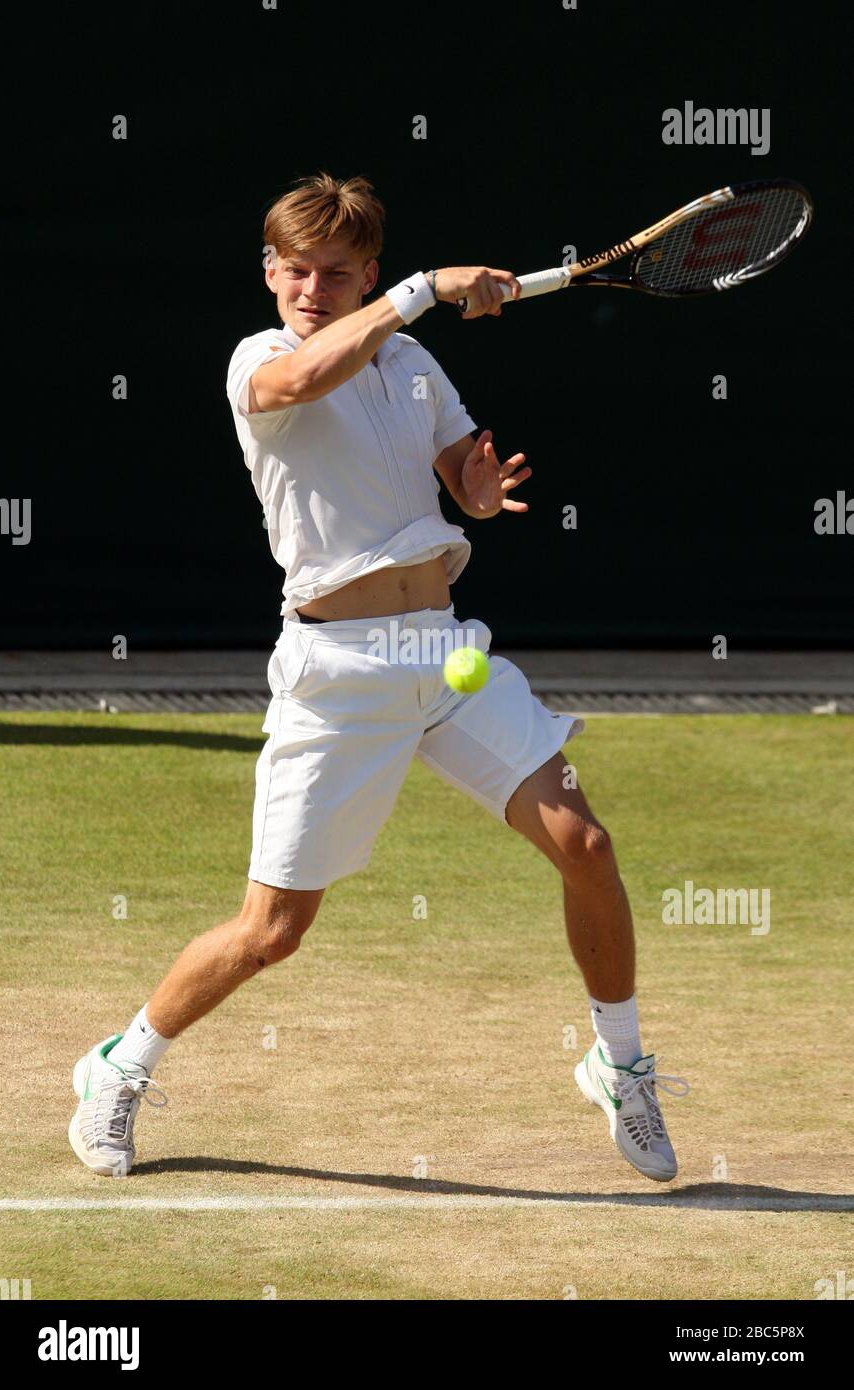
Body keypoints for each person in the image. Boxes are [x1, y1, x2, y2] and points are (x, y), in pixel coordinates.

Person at [69, 171, 688, 1184]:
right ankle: (120, 1064)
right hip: (336, 672)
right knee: (273, 930)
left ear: (360, 276)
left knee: (585, 843)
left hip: (444, 651)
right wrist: (427, 284)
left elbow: (463, 481)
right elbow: (307, 380)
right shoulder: (259, 360)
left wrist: (480, 495)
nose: (312, 288)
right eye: (296, 271)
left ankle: (617, 1065)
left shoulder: (412, 366)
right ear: (271, 275)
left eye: (336, 274)